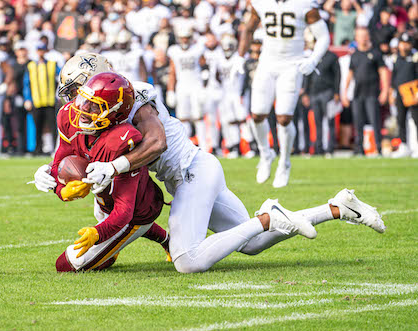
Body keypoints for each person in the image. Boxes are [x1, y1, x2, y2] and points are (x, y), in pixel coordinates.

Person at [32, 53, 385, 274]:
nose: (78, 101)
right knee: (251, 243)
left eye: (78, 90)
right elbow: (77, 149)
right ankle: (337, 207)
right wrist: (50, 172)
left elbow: (157, 141)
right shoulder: (102, 105)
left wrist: (114, 167)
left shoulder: (131, 97)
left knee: (188, 261)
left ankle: (269, 214)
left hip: (191, 174)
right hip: (196, 170)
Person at [52, 73, 169, 272]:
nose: (83, 109)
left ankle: (131, 241)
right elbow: (58, 162)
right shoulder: (72, 118)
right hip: (105, 201)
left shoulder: (123, 140)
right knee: (105, 220)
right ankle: (167, 240)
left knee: (67, 264)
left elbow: (125, 211)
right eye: (83, 100)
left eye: (94, 105)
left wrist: (99, 233)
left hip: (135, 214)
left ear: (115, 111)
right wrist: (60, 190)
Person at [237, 0, 330, 187]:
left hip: (291, 65)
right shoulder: (261, 3)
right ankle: (266, 153)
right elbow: (248, 29)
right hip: (267, 64)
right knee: (257, 114)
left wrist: (313, 59)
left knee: (284, 118)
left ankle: (284, 162)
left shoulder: (304, 4)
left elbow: (324, 36)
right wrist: (239, 56)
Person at [342, 27, 389, 156]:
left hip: (372, 93)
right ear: (356, 38)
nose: (362, 38)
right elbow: (349, 75)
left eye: (364, 35)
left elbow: (383, 72)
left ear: (368, 36)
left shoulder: (376, 53)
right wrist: (345, 93)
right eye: (359, 36)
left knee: (375, 121)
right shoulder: (355, 55)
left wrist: (385, 90)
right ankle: (359, 149)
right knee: (358, 122)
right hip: (358, 94)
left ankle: (378, 148)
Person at [166, 26, 207, 152]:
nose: (184, 40)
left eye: (187, 38)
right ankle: (186, 148)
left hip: (196, 85)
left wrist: (205, 85)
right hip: (182, 86)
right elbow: (172, 72)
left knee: (198, 116)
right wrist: (170, 90)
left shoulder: (197, 49)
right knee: (183, 117)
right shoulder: (174, 51)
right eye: (182, 38)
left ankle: (205, 147)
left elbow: (205, 66)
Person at [23, 42, 60, 155]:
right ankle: (37, 149)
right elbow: (26, 84)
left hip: (50, 100)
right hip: (37, 101)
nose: (40, 52)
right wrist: (27, 99)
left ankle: (54, 149)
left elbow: (61, 79)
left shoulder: (52, 64)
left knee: (53, 126)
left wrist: (58, 95)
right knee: (37, 127)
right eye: (39, 50)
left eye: (42, 49)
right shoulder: (31, 66)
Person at [304, 48, 341, 155]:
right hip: (314, 92)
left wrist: (336, 92)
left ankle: (330, 147)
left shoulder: (332, 57)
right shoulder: (313, 56)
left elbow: (337, 75)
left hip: (328, 92)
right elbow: (308, 75)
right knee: (317, 122)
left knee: (330, 121)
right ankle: (318, 148)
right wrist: (306, 92)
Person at [390, 33, 418, 158]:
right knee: (400, 120)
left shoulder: (415, 57)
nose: (404, 46)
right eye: (402, 43)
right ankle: (404, 146)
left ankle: (416, 146)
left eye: (407, 43)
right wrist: (392, 92)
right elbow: (394, 76)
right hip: (400, 93)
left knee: (416, 119)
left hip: (413, 92)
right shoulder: (396, 58)